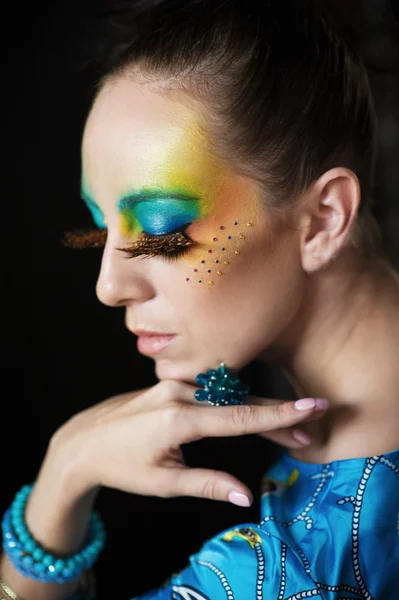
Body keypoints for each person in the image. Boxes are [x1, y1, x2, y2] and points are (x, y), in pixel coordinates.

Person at [1, 0, 398, 598]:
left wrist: (63, 477)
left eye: (163, 233)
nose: (109, 288)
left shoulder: (310, 564)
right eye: (99, 231)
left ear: (322, 220)